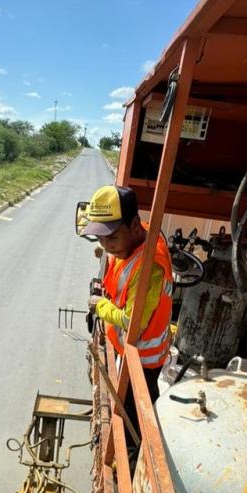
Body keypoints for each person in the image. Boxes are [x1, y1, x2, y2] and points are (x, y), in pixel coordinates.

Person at [84, 184, 173, 441]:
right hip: (131, 350)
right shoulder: (136, 237)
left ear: (134, 225)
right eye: (100, 239)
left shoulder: (149, 269)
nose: (106, 246)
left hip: (143, 358)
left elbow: (130, 321)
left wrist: (100, 305)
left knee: (135, 418)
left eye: (111, 238)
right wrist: (109, 248)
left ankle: (137, 462)